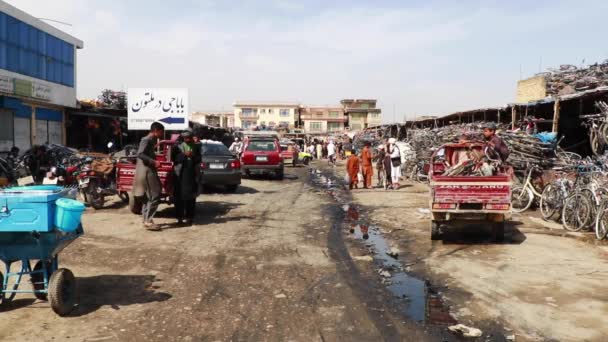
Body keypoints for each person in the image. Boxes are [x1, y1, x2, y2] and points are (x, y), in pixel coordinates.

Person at [133, 122, 165, 231]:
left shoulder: (151, 140)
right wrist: (153, 162)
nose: (162, 134)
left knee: (148, 197)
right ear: (156, 131)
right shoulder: (146, 139)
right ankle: (148, 221)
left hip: (149, 171)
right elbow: (140, 154)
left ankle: (146, 219)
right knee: (155, 194)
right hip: (147, 172)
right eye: (161, 131)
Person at [173, 130, 201, 226]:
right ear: (183, 138)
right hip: (180, 176)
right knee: (179, 198)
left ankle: (189, 218)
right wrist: (184, 154)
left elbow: (199, 159)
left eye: (189, 138)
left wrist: (193, 156)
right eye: (186, 138)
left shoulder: (196, 147)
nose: (188, 140)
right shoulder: (177, 147)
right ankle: (179, 218)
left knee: (191, 198)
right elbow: (175, 159)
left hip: (191, 176)